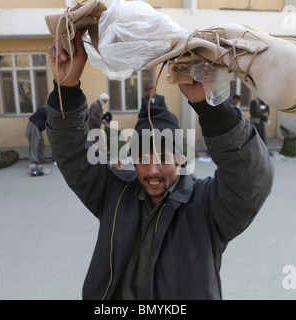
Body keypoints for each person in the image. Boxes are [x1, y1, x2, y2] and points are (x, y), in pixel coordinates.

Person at [46, 32, 274, 300]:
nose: (152, 171)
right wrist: (66, 88)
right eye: (142, 158)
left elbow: (250, 181)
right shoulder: (114, 194)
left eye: (164, 157)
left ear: (181, 158)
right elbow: (72, 153)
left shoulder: (206, 206)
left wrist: (212, 110)